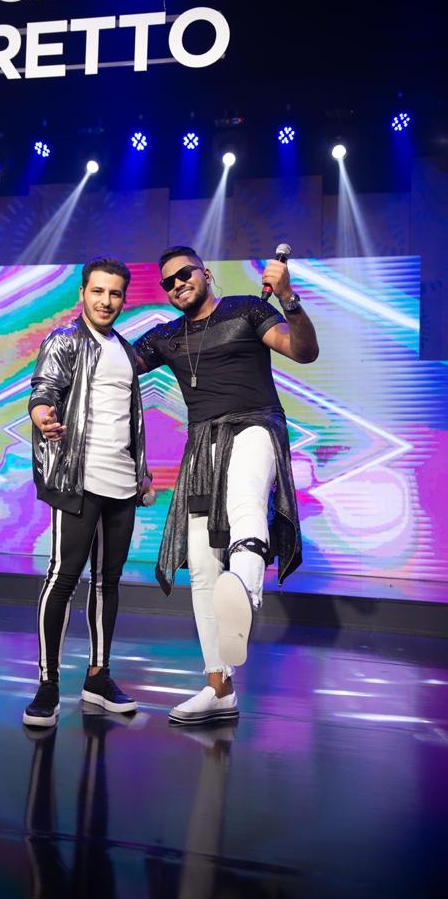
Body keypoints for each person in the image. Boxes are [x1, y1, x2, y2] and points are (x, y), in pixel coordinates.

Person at [132, 246, 319, 724]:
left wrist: (289, 298)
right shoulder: (166, 337)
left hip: (255, 425)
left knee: (244, 499)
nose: (178, 284)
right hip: (202, 446)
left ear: (206, 273)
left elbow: (303, 351)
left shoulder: (247, 309)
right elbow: (113, 368)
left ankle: (246, 593)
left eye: (185, 274)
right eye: (168, 281)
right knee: (200, 566)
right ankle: (219, 688)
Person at [24, 257, 152, 728]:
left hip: (122, 483)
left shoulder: (125, 349)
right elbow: (44, 390)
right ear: (82, 293)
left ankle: (98, 677)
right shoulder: (64, 340)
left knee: (107, 582)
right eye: (98, 291)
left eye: (115, 293)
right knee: (62, 578)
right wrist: (43, 416)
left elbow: (129, 418)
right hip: (77, 479)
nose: (106, 301)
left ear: (123, 298)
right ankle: (48, 683)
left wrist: (141, 472)